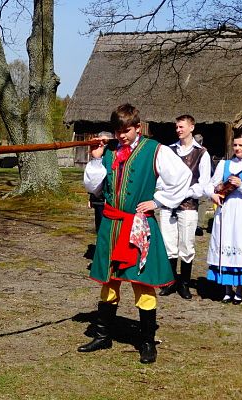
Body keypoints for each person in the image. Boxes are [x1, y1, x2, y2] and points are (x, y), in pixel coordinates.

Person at [79, 103, 192, 363]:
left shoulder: (155, 150)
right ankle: (103, 335)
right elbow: (93, 186)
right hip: (111, 225)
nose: (121, 135)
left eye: (126, 130)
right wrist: (96, 159)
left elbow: (183, 177)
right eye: (118, 131)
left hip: (138, 226)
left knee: (143, 283)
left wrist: (159, 201)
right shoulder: (107, 152)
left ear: (138, 127)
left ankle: (147, 342)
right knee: (109, 281)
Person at [205, 131, 242, 305]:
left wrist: (241, 185)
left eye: (241, 145)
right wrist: (213, 195)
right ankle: (226, 290)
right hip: (226, 211)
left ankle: (239, 291)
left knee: (240, 246)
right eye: (235, 145)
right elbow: (210, 184)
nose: (237, 148)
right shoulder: (224, 164)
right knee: (225, 243)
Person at [159, 115, 211, 299]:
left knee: (187, 246)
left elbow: (203, 183)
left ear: (191, 127)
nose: (178, 130)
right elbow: (161, 177)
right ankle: (171, 281)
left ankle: (185, 284)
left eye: (181, 126)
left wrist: (183, 193)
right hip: (168, 205)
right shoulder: (169, 151)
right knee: (169, 244)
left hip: (188, 205)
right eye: (177, 127)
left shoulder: (201, 153)